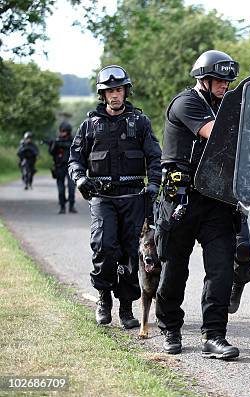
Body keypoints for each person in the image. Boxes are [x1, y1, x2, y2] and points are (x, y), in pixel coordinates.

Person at [154, 50, 241, 359]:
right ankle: (170, 328)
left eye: (229, 81)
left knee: (221, 269)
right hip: (181, 198)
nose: (225, 85)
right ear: (204, 79)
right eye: (220, 80)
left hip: (216, 200)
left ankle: (214, 336)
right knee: (174, 267)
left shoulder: (227, 105)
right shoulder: (186, 103)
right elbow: (215, 134)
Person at [69, 65, 162, 329]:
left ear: (125, 91)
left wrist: (154, 184)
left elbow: (155, 156)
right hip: (103, 198)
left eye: (119, 89)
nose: (115, 95)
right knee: (104, 246)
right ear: (103, 94)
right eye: (110, 91)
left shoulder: (140, 122)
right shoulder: (90, 125)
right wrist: (80, 178)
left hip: (134, 197)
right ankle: (103, 298)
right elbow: (75, 158)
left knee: (133, 253)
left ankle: (126, 307)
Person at [49, 121, 77, 213]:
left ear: (68, 131)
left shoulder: (73, 140)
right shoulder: (57, 140)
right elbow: (51, 152)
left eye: (64, 131)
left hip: (71, 167)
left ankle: (71, 206)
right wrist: (54, 144)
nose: (62, 132)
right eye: (61, 131)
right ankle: (62, 207)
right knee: (61, 190)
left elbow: (78, 151)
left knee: (71, 188)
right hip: (59, 167)